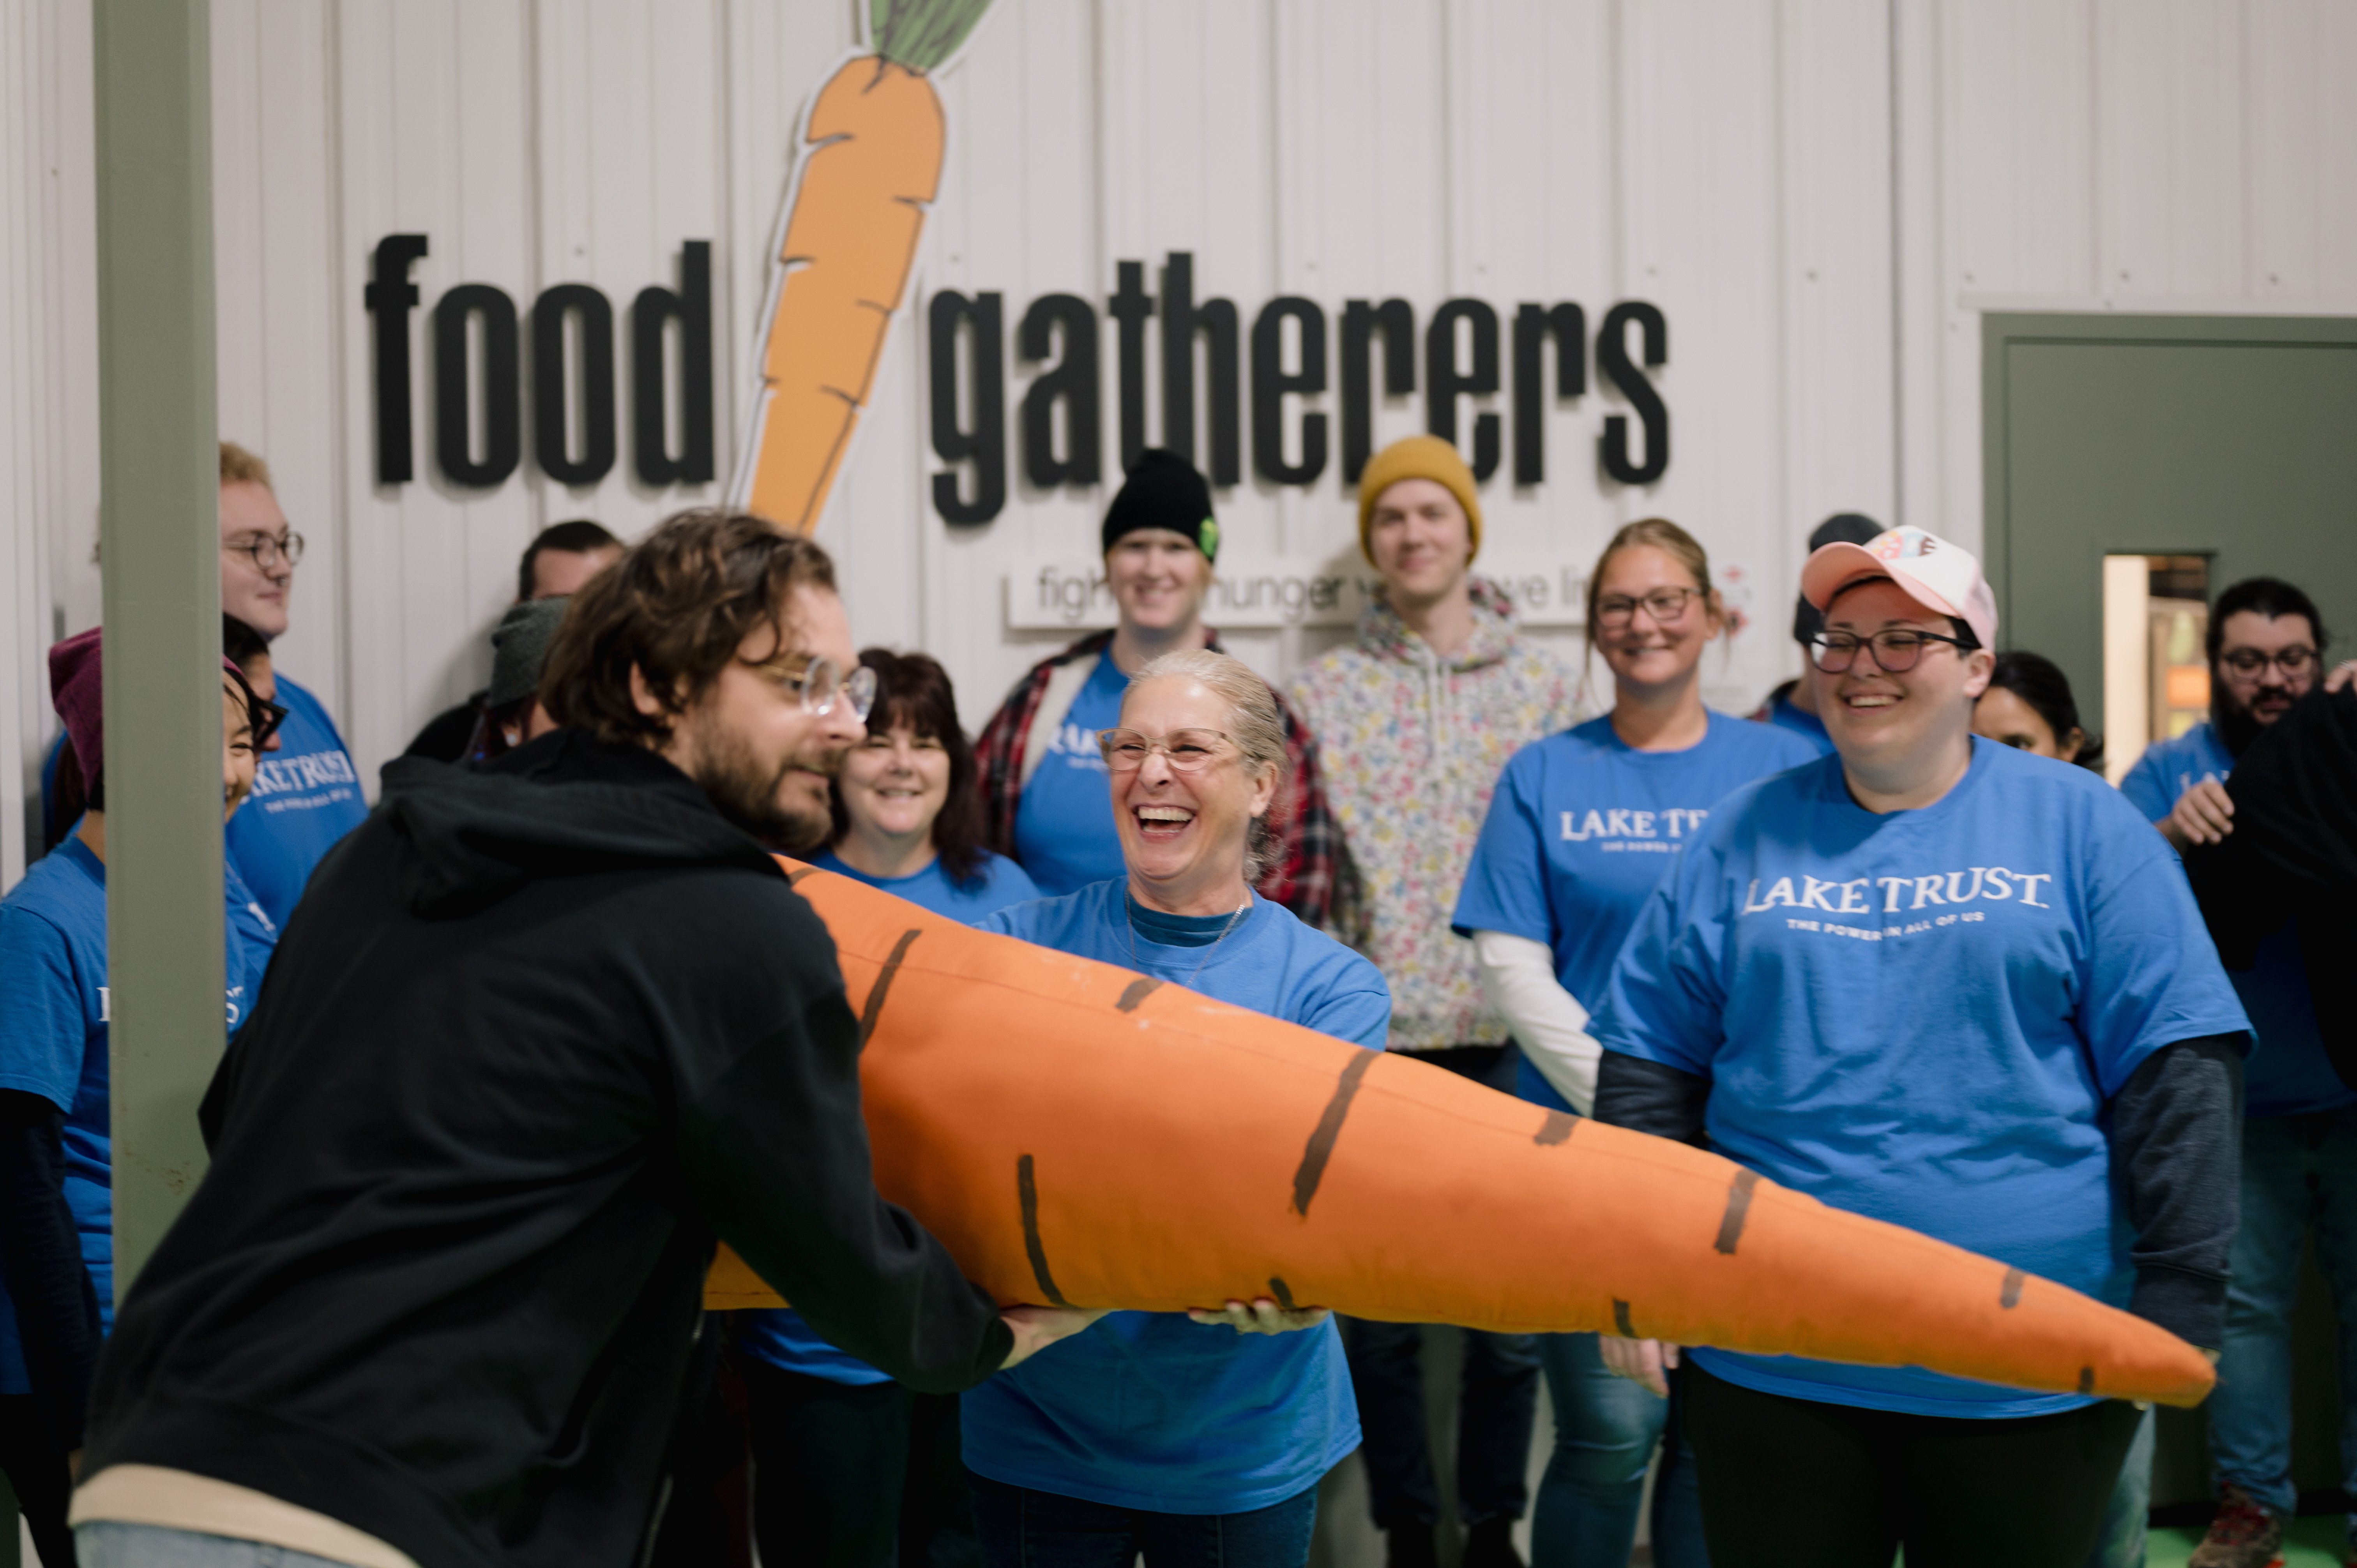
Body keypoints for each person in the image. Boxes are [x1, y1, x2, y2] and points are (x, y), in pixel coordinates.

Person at [69, 511, 1098, 1568]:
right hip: (369, 1509)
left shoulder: (387, 849)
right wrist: (1001, 1331)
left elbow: (230, 1112)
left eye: (851, 688)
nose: (842, 725)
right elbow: (836, 1249)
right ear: (655, 686)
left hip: (148, 1465)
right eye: (797, 681)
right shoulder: (731, 924)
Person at [1587, 525, 2249, 1568]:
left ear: (1976, 667)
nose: (1862, 666)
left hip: (2030, 1358)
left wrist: (2182, 1295)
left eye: (1903, 639)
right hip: (1775, 1362)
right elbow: (1648, 1072)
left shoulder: (2083, 825)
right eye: (1839, 641)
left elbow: (2180, 1068)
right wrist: (1634, 1262)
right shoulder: (1737, 835)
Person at [964, 647, 1389, 1568]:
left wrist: (1078, 1282)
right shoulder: (1010, 951)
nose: (1152, 772)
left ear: (1262, 781)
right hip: (1041, 1431)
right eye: (1130, 746)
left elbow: (1298, 1214)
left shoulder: (1333, 989)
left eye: (1190, 747)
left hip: (1243, 1443)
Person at [1452, 519, 1816, 1568]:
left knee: (1721, 1439)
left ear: (1712, 616)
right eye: (1619, 604)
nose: (1643, 623)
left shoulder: (1786, 767)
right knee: (1613, 1435)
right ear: (1594, 628)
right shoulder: (1544, 774)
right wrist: (1643, 1098)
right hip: (1587, 1153)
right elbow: (1514, 972)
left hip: (1756, 1148)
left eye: (1667, 600)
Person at [1285, 435, 1578, 1568]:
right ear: (1374, 545)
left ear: (1468, 533)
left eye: (1432, 514)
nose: (1414, 534)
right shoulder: (1320, 692)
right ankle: (1411, 1526)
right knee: (1382, 1313)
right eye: (1392, 518)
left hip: (1515, 1037)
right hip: (1379, 1039)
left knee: (1511, 1317)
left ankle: (1494, 1523)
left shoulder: (1546, 686)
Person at [733, 646, 1035, 1568]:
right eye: (878, 739)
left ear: (957, 762)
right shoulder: (769, 891)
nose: (902, 760)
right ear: (836, 755)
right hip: (816, 1336)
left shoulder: (1012, 900)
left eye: (927, 739)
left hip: (978, 1328)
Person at [1, 632, 282, 1568]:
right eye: (220, 739)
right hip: (82, 1352)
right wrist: (82, 1412)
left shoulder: (220, 891)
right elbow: (21, 1182)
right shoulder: (43, 924)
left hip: (199, 1331)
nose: (239, 771)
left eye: (249, 740)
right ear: (129, 745)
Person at [2113, 577, 2352, 1568]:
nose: (2271, 679)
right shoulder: (2170, 772)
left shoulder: (2345, 749)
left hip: (2355, 1100)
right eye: (2248, 661)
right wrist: (2175, 834)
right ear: (2214, 665)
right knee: (2245, 1313)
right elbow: (2110, 894)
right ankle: (2250, 1506)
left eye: (2292, 659)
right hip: (2237, 1102)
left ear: (2320, 659)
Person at [974, 450, 1345, 929]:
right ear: (1108, 564)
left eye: (1175, 547)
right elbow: (972, 845)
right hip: (1042, 981)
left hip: (1201, 989)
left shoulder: (1260, 711)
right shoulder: (1044, 694)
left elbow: (1302, 874)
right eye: (1134, 545)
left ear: (1206, 566)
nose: (1153, 567)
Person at [215, 441, 369, 930]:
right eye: (252, 547)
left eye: (282, 544)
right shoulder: (123, 736)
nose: (281, 566)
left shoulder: (302, 706)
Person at [405, 519, 624, 762]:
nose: (585, 622)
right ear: (522, 612)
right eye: (558, 605)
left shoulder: (662, 729)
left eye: (605, 602)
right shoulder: (451, 740)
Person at [1750, 514, 1885, 756]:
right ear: (1808, 644)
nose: (1864, 668)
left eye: (1896, 642)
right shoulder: (1749, 743)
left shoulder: (1923, 739)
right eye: (1841, 644)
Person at [1974, 650, 2102, 771]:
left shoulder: (2097, 794)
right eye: (1973, 746)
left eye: (2018, 745)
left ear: (2068, 746)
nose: (1994, 763)